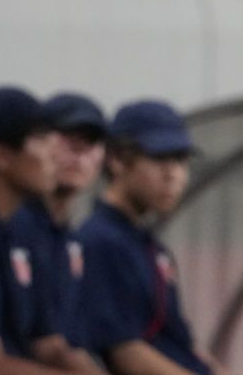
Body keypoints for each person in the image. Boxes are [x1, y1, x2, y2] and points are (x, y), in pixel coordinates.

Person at [0, 87, 104, 375]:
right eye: (42, 139)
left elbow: (47, 343)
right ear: (0, 154)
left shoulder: (10, 230)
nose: (55, 153)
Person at [79, 100, 229, 375]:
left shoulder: (146, 243)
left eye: (181, 159)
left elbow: (180, 342)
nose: (173, 174)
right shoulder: (100, 241)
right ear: (117, 160)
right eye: (160, 158)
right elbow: (123, 352)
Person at [10, 93, 108, 349]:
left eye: (91, 143)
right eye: (68, 139)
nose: (80, 154)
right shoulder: (13, 225)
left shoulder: (68, 236)